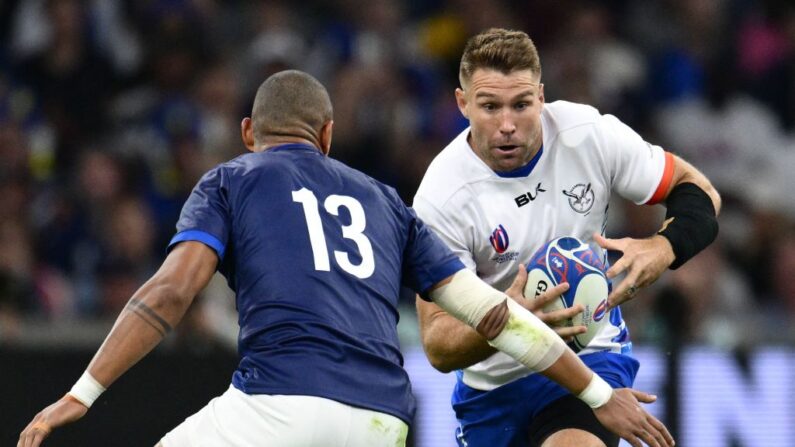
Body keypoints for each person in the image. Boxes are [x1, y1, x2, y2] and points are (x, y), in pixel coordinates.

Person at [19, 70, 674, 447]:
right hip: (381, 420)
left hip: (276, 402)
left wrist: (81, 393)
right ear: (326, 137)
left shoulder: (231, 179)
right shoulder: (389, 203)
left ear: (249, 135)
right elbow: (495, 315)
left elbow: (167, 295)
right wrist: (595, 390)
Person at [413, 28, 720, 447]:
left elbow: (699, 190)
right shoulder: (442, 196)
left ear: (541, 97)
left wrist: (663, 246)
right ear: (462, 103)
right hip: (495, 387)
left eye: (521, 105)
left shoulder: (587, 134)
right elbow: (437, 344)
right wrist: (508, 319)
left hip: (589, 356)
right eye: (489, 107)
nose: (507, 125)